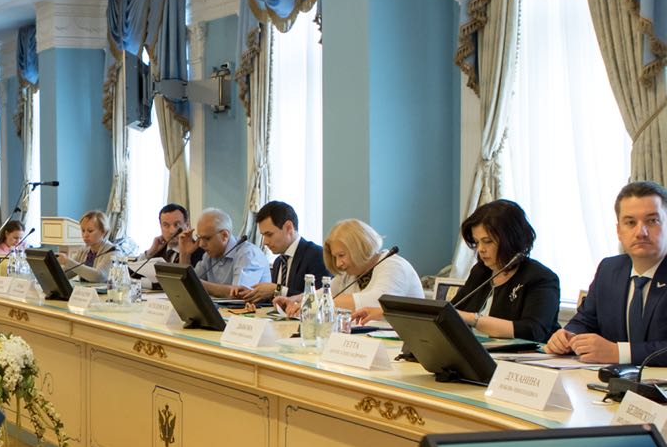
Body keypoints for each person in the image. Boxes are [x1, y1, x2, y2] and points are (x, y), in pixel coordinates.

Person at [547, 181, 667, 364]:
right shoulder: (609, 269)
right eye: (630, 222)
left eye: (652, 221)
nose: (640, 232)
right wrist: (567, 337)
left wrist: (618, 352)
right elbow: (585, 322)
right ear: (619, 231)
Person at [444, 200, 560, 342]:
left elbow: (533, 330)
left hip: (520, 355)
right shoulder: (480, 272)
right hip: (475, 351)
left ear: (510, 239)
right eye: (477, 242)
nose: (480, 249)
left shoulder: (541, 278)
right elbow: (453, 311)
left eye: (487, 241)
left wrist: (473, 319)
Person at [277, 219, 421, 318]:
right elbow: (326, 293)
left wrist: (312, 304)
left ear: (359, 248)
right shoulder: (352, 271)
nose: (338, 263)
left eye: (341, 255)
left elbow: (375, 301)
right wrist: (295, 300)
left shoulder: (394, 266)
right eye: (335, 257)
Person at [234, 200, 329, 302]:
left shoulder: (317, 255)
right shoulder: (278, 262)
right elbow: (278, 300)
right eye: (263, 236)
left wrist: (277, 289)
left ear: (289, 228)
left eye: (269, 234)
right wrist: (252, 293)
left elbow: (321, 297)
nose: (265, 242)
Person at [187, 208, 270, 297]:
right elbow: (188, 283)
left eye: (207, 238)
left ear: (224, 235)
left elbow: (239, 294)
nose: (201, 244)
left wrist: (199, 284)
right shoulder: (208, 255)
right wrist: (185, 254)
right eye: (199, 238)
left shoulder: (248, 254)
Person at [134, 203, 204, 275]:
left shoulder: (200, 253)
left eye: (177, 224)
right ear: (160, 226)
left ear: (187, 225)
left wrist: (185, 255)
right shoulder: (157, 250)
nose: (172, 231)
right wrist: (150, 252)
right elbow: (133, 273)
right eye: (166, 225)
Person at [65, 210, 118, 282]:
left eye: (90, 231)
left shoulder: (113, 252)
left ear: (103, 231)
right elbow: (68, 273)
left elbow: (99, 277)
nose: (85, 235)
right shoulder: (83, 250)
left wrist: (68, 262)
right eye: (83, 230)